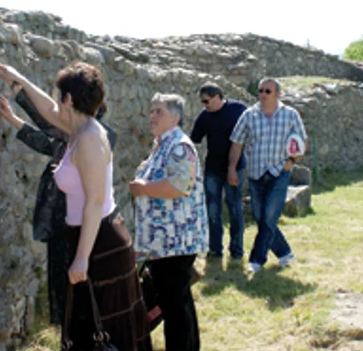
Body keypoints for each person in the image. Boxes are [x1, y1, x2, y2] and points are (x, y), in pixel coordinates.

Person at [0, 58, 152, 351]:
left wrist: (82, 257)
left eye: (59, 92)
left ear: (69, 99)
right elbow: (48, 109)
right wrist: (19, 78)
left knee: (105, 332)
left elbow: (94, 201)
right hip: (93, 236)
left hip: (100, 241)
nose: (56, 98)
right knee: (88, 330)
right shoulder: (79, 127)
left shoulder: (89, 139)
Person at [0, 87, 118, 326]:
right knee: (60, 276)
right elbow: (47, 142)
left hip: (83, 223)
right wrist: (14, 119)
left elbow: (50, 126)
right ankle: (66, 327)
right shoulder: (75, 135)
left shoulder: (99, 135)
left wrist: (23, 92)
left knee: (80, 284)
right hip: (62, 217)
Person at [130, 93, 208, 351]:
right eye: (151, 110)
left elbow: (180, 186)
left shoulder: (179, 146)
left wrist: (144, 188)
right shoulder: (162, 145)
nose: (152, 115)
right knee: (176, 301)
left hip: (176, 240)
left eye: (159, 111)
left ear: (175, 117)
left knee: (174, 305)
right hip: (164, 241)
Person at [228, 78, 307, 275]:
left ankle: (256, 259)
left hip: (279, 172)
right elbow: (236, 142)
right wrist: (231, 168)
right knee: (261, 217)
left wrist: (292, 161)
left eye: (267, 91)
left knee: (270, 215)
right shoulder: (249, 115)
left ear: (277, 94)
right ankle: (285, 253)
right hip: (255, 174)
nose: (262, 94)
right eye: (261, 90)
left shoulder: (290, 115)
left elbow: (302, 141)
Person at [190, 82, 247, 261]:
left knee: (235, 208)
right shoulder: (204, 117)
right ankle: (215, 250)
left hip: (236, 168)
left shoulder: (238, 109)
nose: (204, 105)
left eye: (206, 101)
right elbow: (194, 140)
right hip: (213, 170)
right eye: (202, 102)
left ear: (217, 97)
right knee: (213, 212)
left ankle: (237, 251)